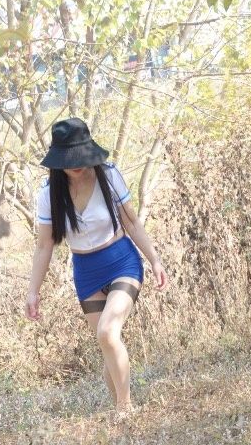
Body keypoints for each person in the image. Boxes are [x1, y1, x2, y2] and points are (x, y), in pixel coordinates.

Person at [24, 117, 168, 424]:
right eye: (70, 158)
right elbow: (44, 245)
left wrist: (155, 259)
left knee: (107, 331)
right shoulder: (48, 194)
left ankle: (126, 409)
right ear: (58, 160)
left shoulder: (108, 175)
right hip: (86, 271)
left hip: (122, 261)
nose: (78, 164)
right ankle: (122, 419)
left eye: (82, 155)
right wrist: (33, 291)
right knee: (107, 345)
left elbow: (132, 223)